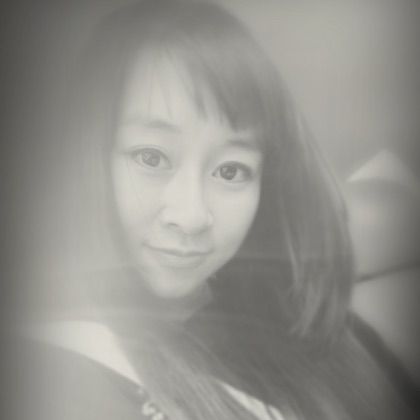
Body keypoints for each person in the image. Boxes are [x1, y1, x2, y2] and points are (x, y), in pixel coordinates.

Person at [18, 0, 416, 419]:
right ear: (88, 158)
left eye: (231, 170)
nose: (191, 216)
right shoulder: (56, 367)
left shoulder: (305, 322)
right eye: (151, 158)